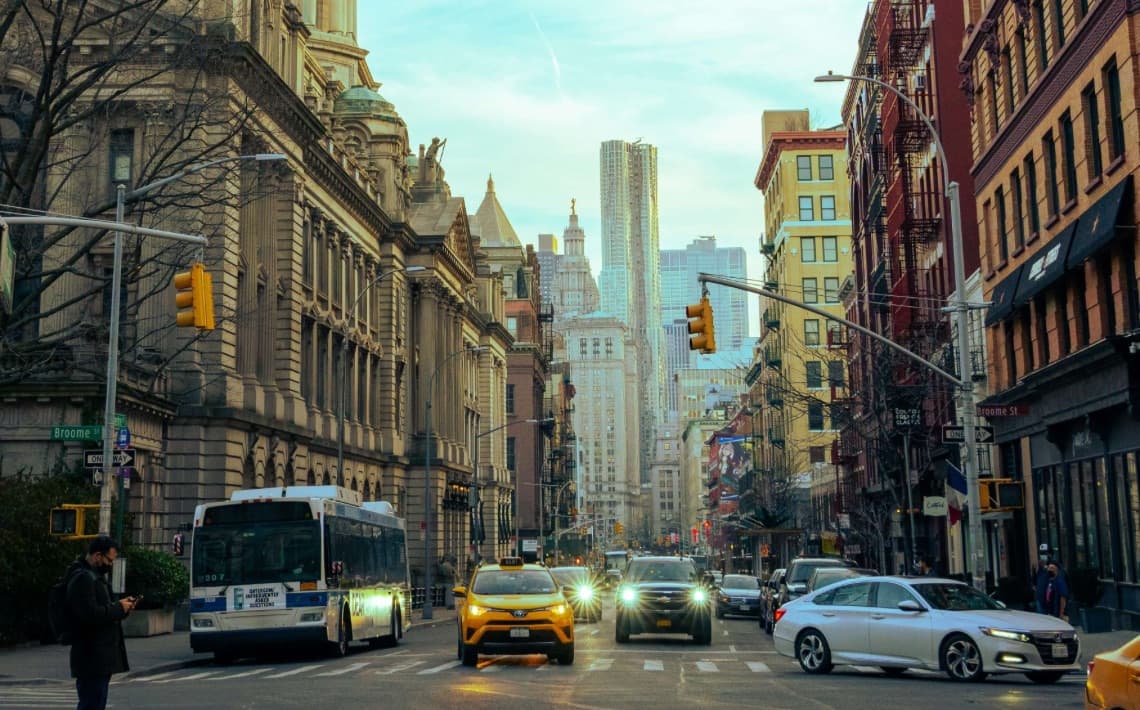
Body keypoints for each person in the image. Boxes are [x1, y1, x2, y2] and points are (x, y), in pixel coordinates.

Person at [66, 536, 136, 710]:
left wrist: (123, 609)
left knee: (96, 702)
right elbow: (90, 614)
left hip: (98, 655)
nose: (110, 565)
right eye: (109, 560)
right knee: (92, 703)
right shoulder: (83, 578)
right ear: (98, 555)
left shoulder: (94, 577)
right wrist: (119, 608)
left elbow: (103, 610)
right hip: (91, 655)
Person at [1033, 544, 1053, 613]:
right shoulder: (1040, 568)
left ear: (1049, 554)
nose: (1042, 556)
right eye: (1041, 553)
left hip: (1049, 600)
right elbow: (1035, 582)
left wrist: (1046, 567)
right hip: (1040, 598)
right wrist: (1035, 571)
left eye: (1044, 553)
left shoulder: (1053, 566)